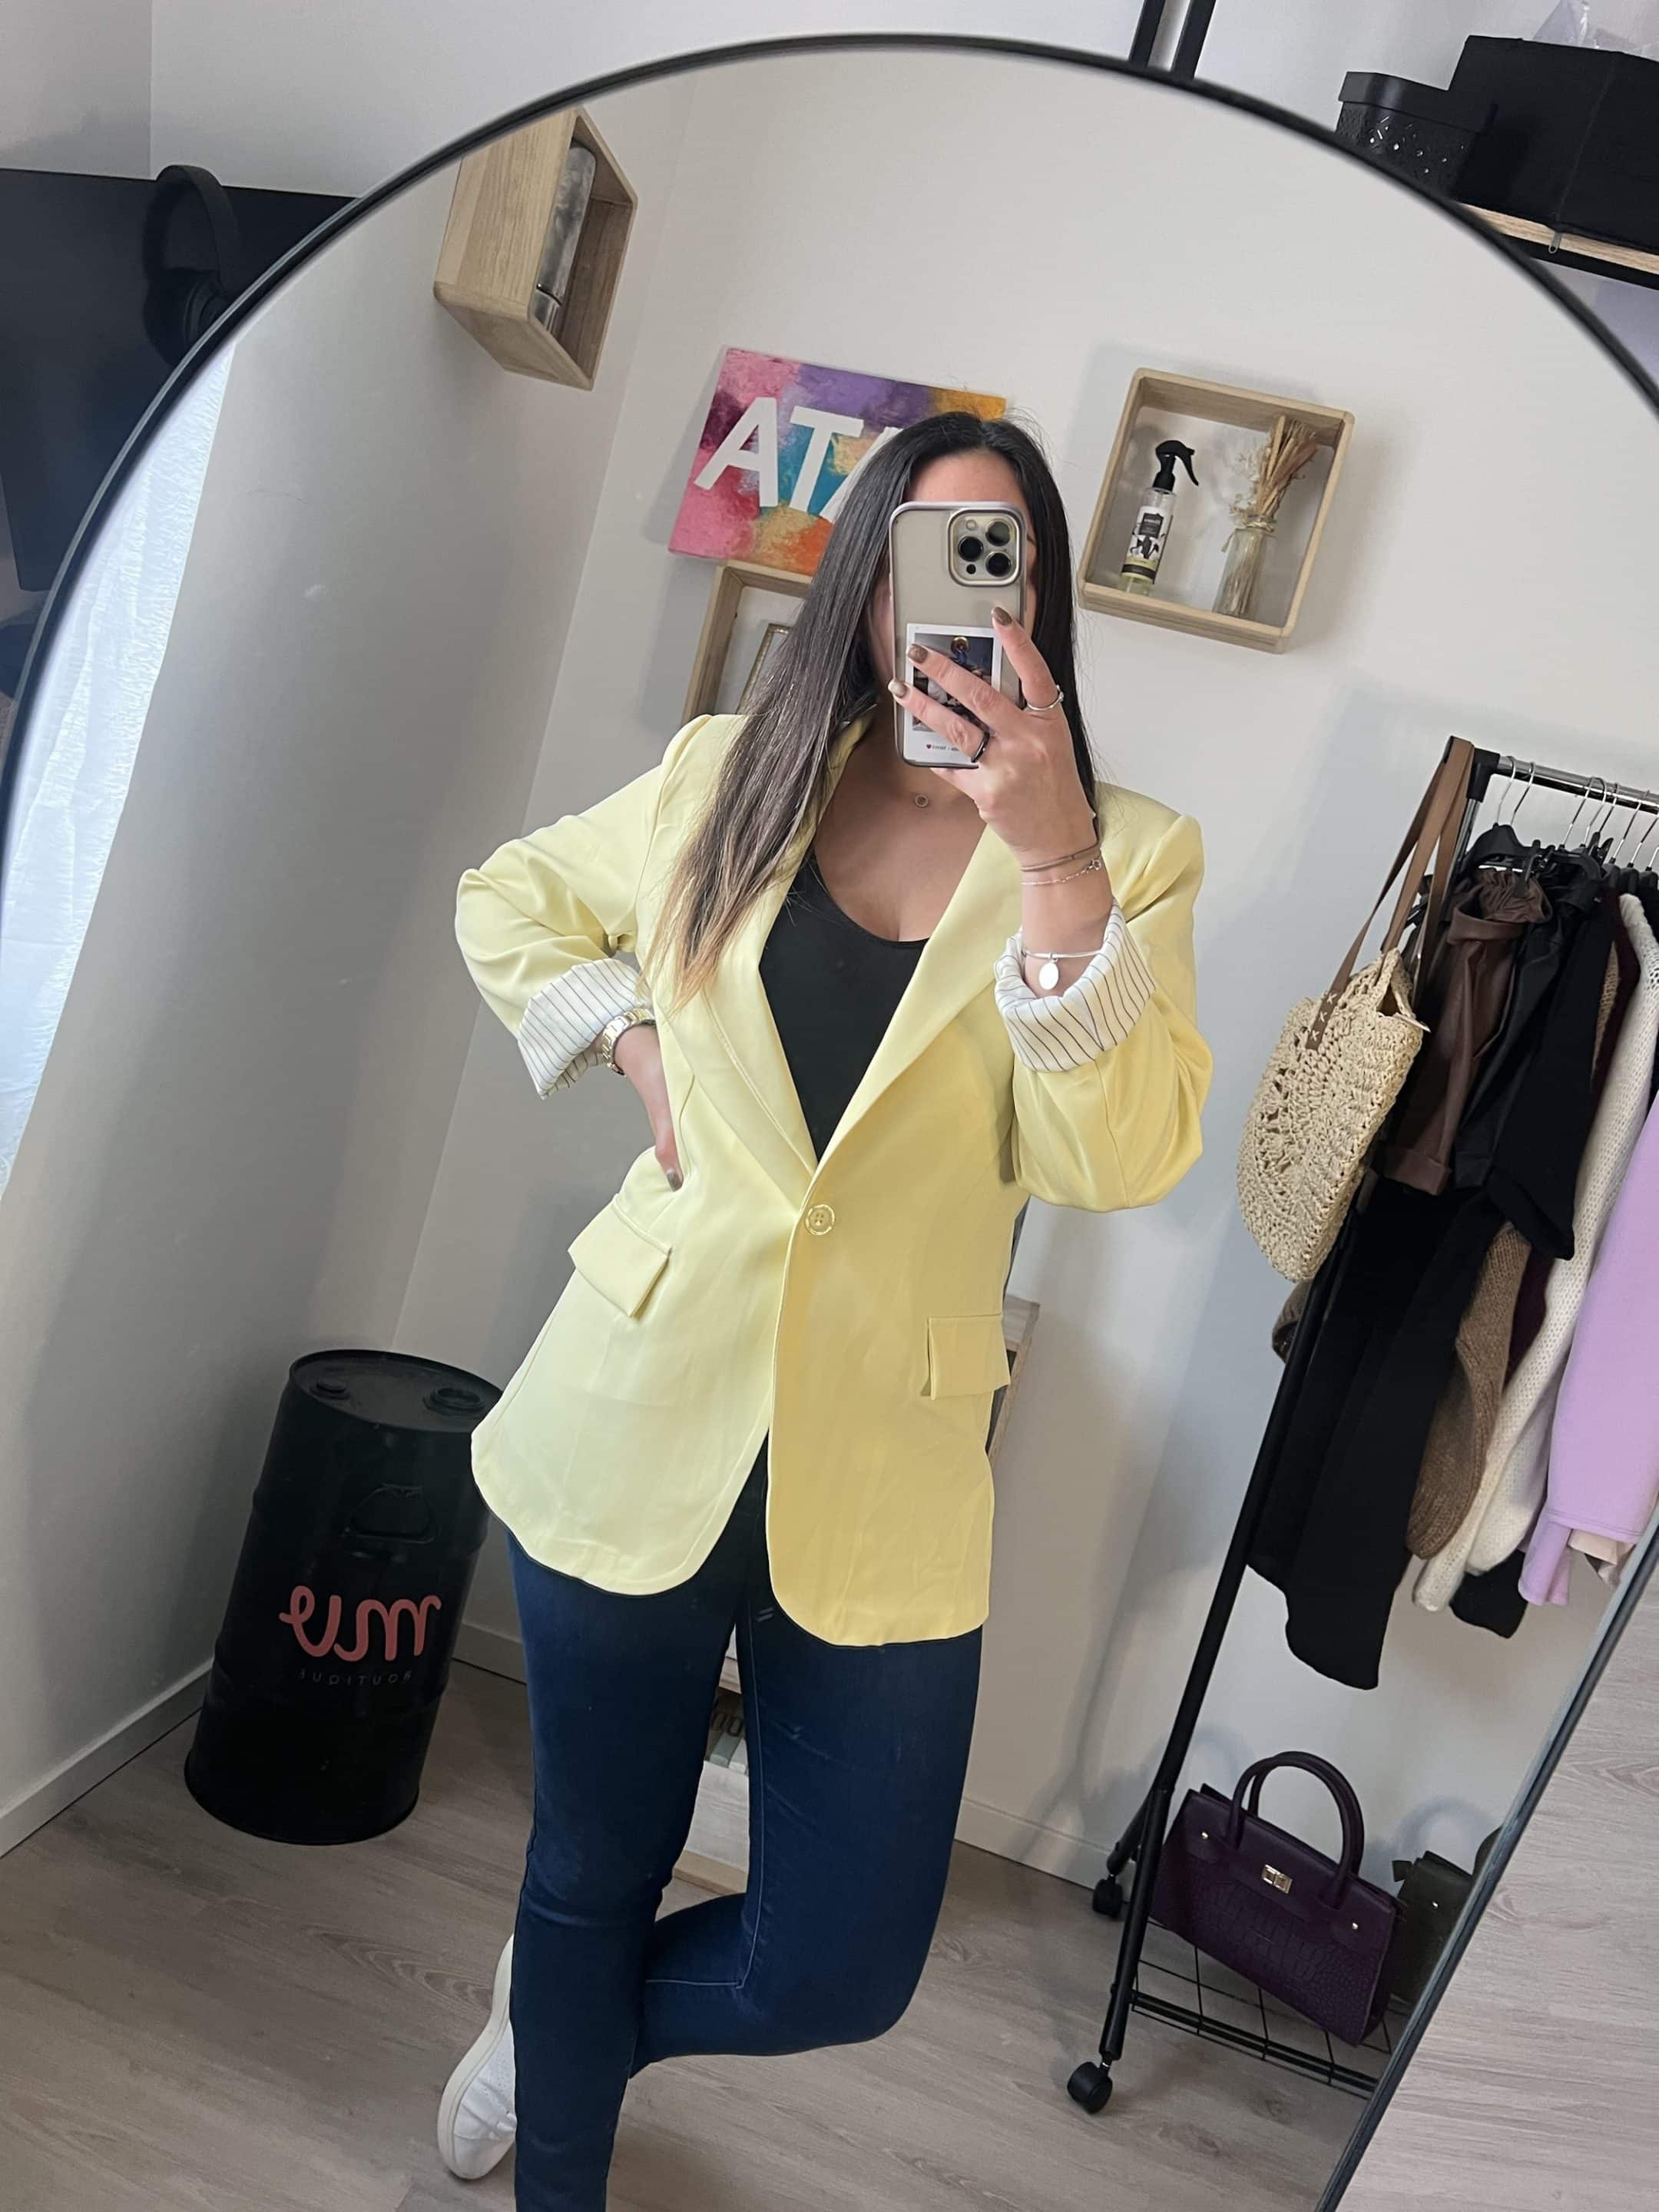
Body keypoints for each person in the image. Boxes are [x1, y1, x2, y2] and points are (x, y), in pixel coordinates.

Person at [439, 410, 1210, 2207]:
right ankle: (560, 2124)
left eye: (1002, 555)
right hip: (636, 1404)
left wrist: (1057, 860)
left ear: (1040, 593)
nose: (966, 594)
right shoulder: (734, 771)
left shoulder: (1131, 852)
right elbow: (509, 900)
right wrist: (626, 1035)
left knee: (838, 1965)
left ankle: (558, 2019)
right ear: (868, 578)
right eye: (932, 551)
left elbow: (1116, 1160)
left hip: (894, 1460)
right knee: (587, 1876)